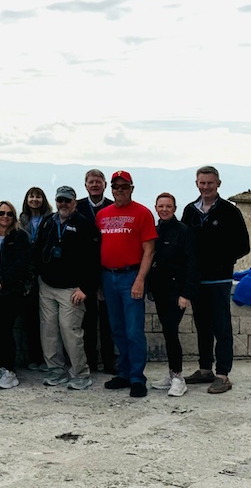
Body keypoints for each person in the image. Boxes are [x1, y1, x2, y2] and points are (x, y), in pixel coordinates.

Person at [181, 166, 250, 394]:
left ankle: (222, 374)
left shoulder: (230, 212)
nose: (206, 187)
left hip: (219, 280)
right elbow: (184, 243)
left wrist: (220, 260)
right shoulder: (190, 211)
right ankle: (204, 369)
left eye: (210, 183)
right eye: (202, 183)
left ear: (218, 183)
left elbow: (243, 245)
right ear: (196, 184)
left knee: (221, 327)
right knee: (202, 326)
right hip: (197, 281)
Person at [96, 170, 158, 398]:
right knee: (117, 329)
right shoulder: (102, 215)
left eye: (124, 186)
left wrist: (140, 280)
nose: (119, 190)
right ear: (110, 189)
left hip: (130, 276)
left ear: (132, 188)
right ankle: (123, 373)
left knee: (134, 330)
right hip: (107, 277)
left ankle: (137, 377)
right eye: (116, 186)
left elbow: (149, 250)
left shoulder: (142, 213)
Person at [33, 187, 100, 391]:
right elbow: (37, 249)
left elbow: (94, 260)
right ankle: (56, 370)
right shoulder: (48, 222)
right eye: (60, 200)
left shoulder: (84, 225)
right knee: (49, 331)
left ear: (74, 202)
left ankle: (80, 373)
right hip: (47, 286)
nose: (63, 204)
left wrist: (86, 289)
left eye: (67, 201)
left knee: (70, 331)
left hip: (72, 289)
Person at [149, 193, 198, 397]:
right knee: (168, 332)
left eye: (168, 206)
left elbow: (192, 264)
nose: (164, 209)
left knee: (171, 331)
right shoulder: (156, 231)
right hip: (160, 291)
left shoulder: (184, 231)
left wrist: (185, 294)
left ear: (175, 208)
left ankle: (178, 378)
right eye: (161, 206)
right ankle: (172, 375)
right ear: (156, 208)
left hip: (177, 292)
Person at [0, 201, 31, 390]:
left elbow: (21, 264)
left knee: (5, 330)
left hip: (10, 291)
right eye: (1, 213)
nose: (5, 217)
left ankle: (10, 370)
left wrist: (2, 281)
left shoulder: (20, 237)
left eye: (9, 214)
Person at [76, 169, 117, 374]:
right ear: (85, 185)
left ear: (104, 185)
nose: (94, 185)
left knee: (109, 321)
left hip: (109, 270)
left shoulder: (113, 206)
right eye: (91, 182)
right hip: (85, 272)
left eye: (98, 182)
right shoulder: (78, 207)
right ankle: (90, 361)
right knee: (88, 321)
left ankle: (110, 362)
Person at [18, 187, 53, 371]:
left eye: (38, 196)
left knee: (48, 320)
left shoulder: (51, 219)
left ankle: (49, 358)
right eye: (31, 196)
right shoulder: (22, 220)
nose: (35, 199)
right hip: (27, 277)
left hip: (45, 272)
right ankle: (34, 356)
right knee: (31, 319)